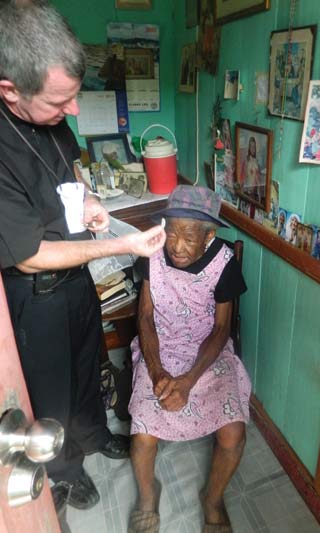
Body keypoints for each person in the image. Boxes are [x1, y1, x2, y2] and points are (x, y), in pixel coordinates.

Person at [0, 0, 166, 514]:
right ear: (10, 90)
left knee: (88, 364)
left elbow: (70, 172)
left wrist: (90, 200)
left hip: (76, 282)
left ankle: (95, 436)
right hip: (37, 296)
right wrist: (121, 242)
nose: (72, 111)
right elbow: (28, 257)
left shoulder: (50, 117)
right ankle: (65, 473)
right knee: (51, 393)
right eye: (60, 101)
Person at [127, 185, 251, 533]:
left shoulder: (224, 263)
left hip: (206, 352)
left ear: (209, 235)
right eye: (172, 232)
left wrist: (188, 379)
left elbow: (222, 329)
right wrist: (156, 371)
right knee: (142, 437)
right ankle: (148, 496)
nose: (177, 246)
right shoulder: (152, 253)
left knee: (233, 434)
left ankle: (212, 498)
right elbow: (146, 318)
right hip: (160, 347)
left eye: (188, 237)